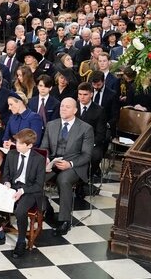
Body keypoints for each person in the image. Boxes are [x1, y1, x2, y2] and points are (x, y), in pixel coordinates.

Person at [0, 128, 46, 258]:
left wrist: (22, 191)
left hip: (29, 190)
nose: (16, 145)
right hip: (13, 187)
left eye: (20, 143)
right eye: (16, 142)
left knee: (20, 211)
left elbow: (38, 185)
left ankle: (21, 241)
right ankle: (0, 234)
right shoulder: (11, 154)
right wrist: (7, 183)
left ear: (29, 145)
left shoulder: (38, 159)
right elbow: (5, 174)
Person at [40, 97, 94, 236]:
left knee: (63, 180)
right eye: (62, 106)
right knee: (36, 176)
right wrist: (46, 158)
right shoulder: (51, 125)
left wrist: (70, 164)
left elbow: (87, 155)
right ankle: (45, 207)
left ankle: (65, 221)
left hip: (74, 165)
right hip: (53, 163)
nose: (63, 108)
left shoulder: (85, 128)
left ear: (75, 110)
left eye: (67, 107)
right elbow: (44, 147)